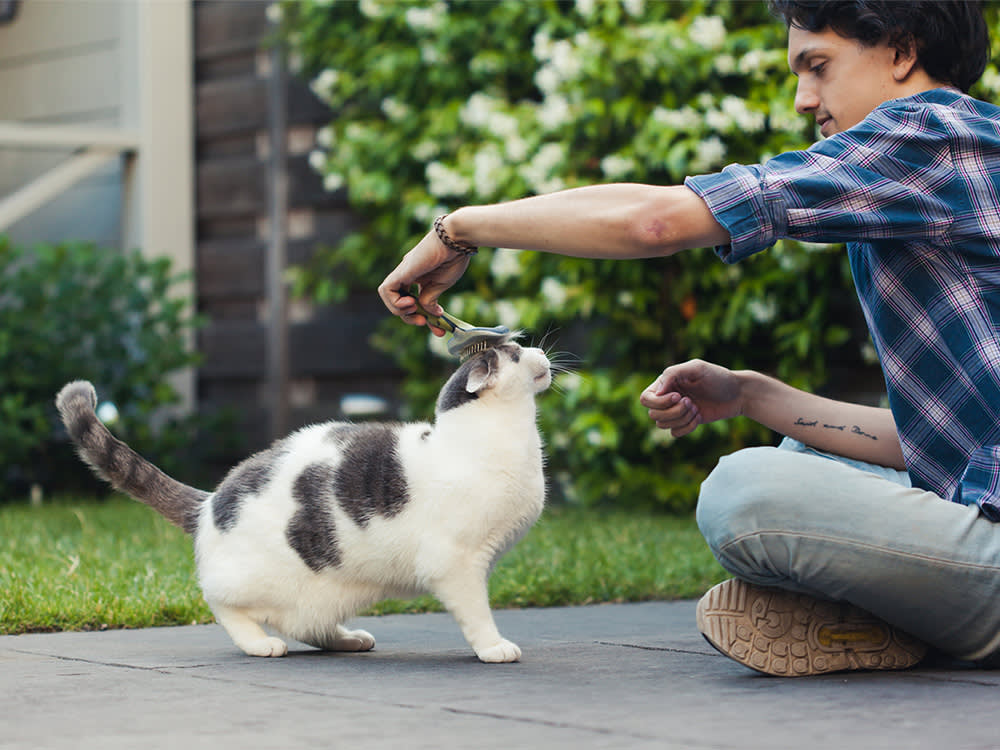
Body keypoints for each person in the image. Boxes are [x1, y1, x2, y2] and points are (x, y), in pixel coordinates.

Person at [378, 0, 1000, 676]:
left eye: (817, 67)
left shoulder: (926, 137)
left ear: (902, 52)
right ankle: (904, 617)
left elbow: (656, 221)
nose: (803, 99)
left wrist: (460, 228)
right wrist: (751, 395)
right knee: (802, 452)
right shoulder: (951, 152)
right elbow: (940, 445)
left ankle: (915, 624)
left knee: (746, 493)